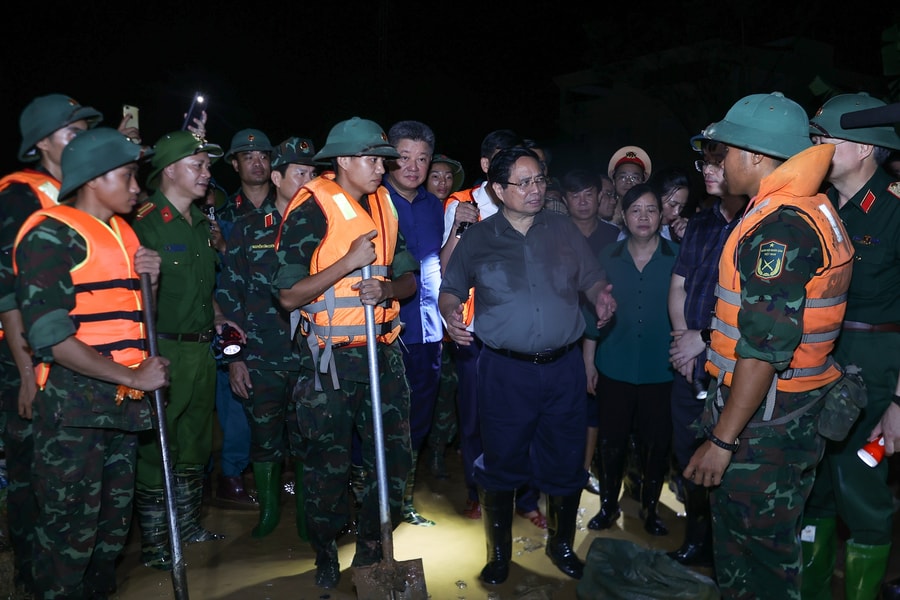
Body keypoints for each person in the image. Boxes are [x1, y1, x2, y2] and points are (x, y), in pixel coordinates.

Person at [685, 91, 854, 598]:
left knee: (759, 559)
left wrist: (721, 441)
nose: (718, 161)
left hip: (765, 427)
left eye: (725, 151)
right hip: (779, 415)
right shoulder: (806, 207)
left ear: (757, 157)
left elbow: (762, 348)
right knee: (747, 554)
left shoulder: (782, 228)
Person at [440, 146, 615, 583]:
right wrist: (451, 313)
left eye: (539, 179)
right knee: (500, 460)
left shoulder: (563, 230)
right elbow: (450, 287)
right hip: (504, 371)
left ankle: (560, 545)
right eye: (524, 182)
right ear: (499, 189)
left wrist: (601, 296)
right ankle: (499, 554)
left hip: (563, 369)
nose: (536, 189)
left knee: (566, 459)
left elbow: (592, 276)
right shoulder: (478, 237)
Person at [13, 127, 169, 598]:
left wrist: (152, 283)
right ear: (94, 178)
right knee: (67, 545)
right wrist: (132, 375)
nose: (137, 187)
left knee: (108, 539)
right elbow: (51, 339)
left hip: (120, 407)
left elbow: (134, 321)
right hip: (73, 413)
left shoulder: (124, 232)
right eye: (127, 176)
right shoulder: (49, 234)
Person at [272, 116, 417, 589]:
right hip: (329, 361)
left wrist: (388, 285)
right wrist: (348, 264)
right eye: (373, 160)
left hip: (384, 354)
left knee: (393, 460)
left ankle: (374, 550)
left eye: (382, 160)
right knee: (325, 465)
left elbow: (410, 278)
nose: (382, 168)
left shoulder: (385, 205)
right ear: (343, 161)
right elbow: (289, 296)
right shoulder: (310, 209)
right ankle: (325, 551)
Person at [0, 92, 103, 594]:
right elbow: (9, 295)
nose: (81, 139)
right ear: (41, 143)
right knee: (32, 478)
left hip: (78, 357)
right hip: (30, 359)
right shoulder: (19, 200)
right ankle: (30, 578)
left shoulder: (81, 192)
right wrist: (25, 375)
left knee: (79, 486)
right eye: (72, 132)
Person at [802, 92, 900, 599]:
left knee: (861, 492)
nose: (815, 147)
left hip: (877, 369)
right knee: (811, 491)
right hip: (816, 363)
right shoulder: (813, 206)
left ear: (863, 149)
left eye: (824, 139)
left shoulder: (894, 208)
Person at [131, 130, 238, 569]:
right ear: (169, 170)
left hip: (200, 351)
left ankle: (188, 526)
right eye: (198, 165)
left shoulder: (199, 224)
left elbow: (199, 285)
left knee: (195, 442)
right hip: (163, 350)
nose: (206, 173)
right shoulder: (144, 224)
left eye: (207, 166)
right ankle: (157, 544)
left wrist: (217, 315)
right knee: (158, 446)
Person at [215, 136, 319, 538]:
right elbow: (228, 298)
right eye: (300, 173)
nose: (309, 180)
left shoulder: (321, 226)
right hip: (261, 354)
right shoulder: (246, 229)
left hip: (312, 353)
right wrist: (235, 358)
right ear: (277, 177)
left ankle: (308, 518)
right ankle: (269, 512)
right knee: (264, 438)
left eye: (313, 173)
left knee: (309, 437)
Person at [666, 134, 748, 567]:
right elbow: (679, 285)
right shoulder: (699, 224)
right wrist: (684, 341)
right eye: (706, 164)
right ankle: (697, 537)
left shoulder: (759, 223)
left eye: (720, 161)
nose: (711, 170)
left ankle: (727, 551)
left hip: (735, 367)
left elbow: (757, 309)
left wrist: (704, 336)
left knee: (727, 456)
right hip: (691, 362)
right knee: (689, 452)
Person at [584, 183, 677, 537]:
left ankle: (650, 509)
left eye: (651, 210)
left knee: (657, 444)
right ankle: (608, 505)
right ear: (623, 215)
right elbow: (593, 315)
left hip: (661, 369)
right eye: (635, 210)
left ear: (661, 215)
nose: (643, 217)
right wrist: (589, 363)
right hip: (615, 366)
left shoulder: (678, 256)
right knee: (611, 442)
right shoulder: (607, 256)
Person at [210, 127, 277, 507]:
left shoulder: (289, 208)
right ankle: (232, 474)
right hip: (239, 320)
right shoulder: (222, 215)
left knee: (283, 404)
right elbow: (217, 280)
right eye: (248, 157)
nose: (257, 162)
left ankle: (276, 472)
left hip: (281, 321)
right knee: (236, 400)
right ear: (234, 164)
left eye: (264, 156)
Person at [383, 120, 444, 527]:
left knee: (419, 419)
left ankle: (403, 500)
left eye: (422, 158)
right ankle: (375, 504)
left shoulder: (434, 207)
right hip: (386, 333)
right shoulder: (372, 201)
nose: (413, 166)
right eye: (404, 157)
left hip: (430, 331)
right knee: (381, 421)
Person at [561, 168, 619, 496]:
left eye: (588, 194)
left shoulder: (613, 237)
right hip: (561, 336)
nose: (582, 202)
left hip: (604, 334)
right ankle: (559, 469)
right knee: (561, 407)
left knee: (594, 408)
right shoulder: (554, 233)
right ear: (565, 200)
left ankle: (584, 471)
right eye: (575, 195)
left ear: (600, 197)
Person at [423, 152, 464, 479]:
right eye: (435, 175)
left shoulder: (458, 210)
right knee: (428, 391)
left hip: (455, 316)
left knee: (449, 391)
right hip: (423, 318)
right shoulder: (419, 211)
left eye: (447, 176)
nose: (442, 182)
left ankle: (439, 451)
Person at [608, 145, 652, 230]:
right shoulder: (604, 209)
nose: (628, 182)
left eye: (634, 178)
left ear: (643, 182)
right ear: (614, 180)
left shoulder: (650, 212)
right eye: (623, 177)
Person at [648, 166, 691, 242]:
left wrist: (687, 238)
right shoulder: (636, 231)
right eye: (672, 204)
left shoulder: (675, 232)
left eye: (681, 207)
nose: (676, 212)